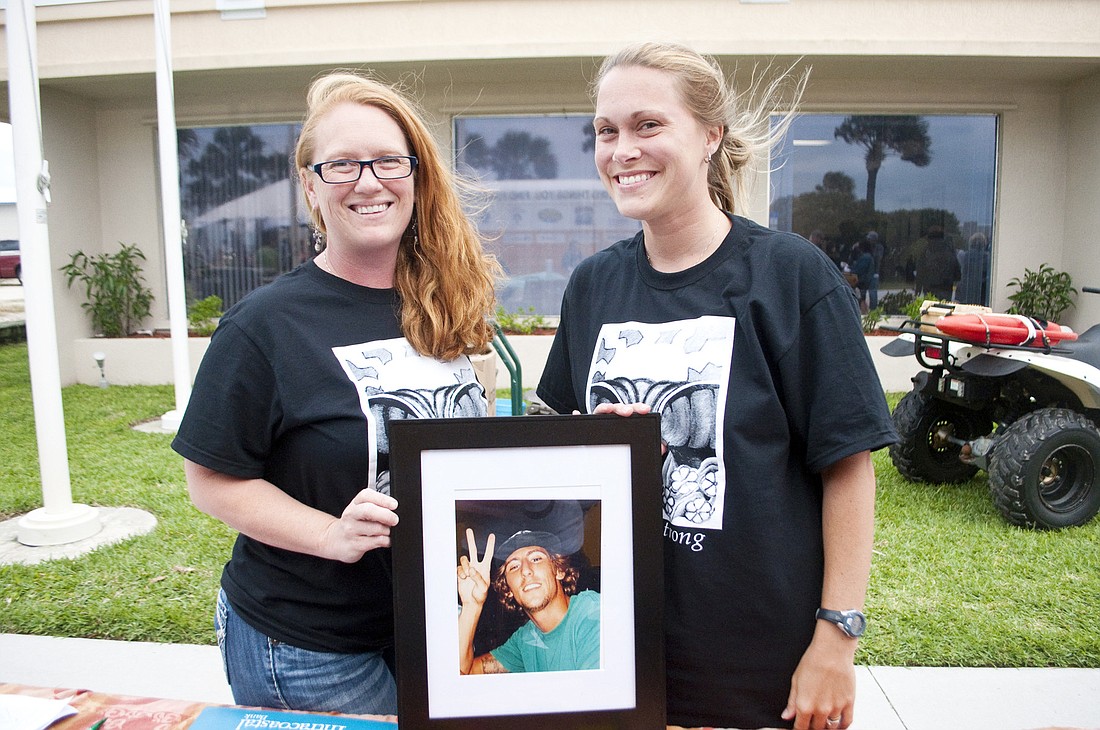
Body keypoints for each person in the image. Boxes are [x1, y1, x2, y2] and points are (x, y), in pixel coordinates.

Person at [536, 42, 897, 730]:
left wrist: (835, 638)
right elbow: (561, 461)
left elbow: (849, 468)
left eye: (648, 125)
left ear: (709, 136)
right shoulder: (593, 286)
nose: (621, 150)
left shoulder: (792, 277)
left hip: (757, 665)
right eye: (606, 131)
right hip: (616, 650)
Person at [171, 71, 500, 715]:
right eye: (342, 165)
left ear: (416, 175)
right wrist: (330, 535)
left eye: (386, 161)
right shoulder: (265, 325)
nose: (368, 182)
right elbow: (209, 480)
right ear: (311, 188)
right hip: (309, 644)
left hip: (427, 628)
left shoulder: (444, 303)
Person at [456, 528, 600, 674]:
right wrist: (471, 606)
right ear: (508, 589)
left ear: (558, 570)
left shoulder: (592, 614)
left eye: (536, 559)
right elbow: (464, 672)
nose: (525, 570)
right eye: (514, 566)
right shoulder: (525, 640)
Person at [914, 225, 961, 300]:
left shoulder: (926, 252)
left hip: (929, 289)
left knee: (929, 309)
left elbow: (920, 273)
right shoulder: (949, 252)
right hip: (946, 290)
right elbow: (957, 274)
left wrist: (918, 290)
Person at [955, 232, 991, 305]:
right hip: (982, 293)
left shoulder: (963, 256)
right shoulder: (988, 258)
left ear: (970, 244)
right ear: (984, 244)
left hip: (964, 292)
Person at [849, 239, 875, 314]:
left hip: (862, 280)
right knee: (862, 297)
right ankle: (865, 312)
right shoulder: (869, 256)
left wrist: (851, 270)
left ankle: (864, 312)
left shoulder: (865, 257)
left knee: (861, 298)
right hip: (866, 280)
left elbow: (858, 269)